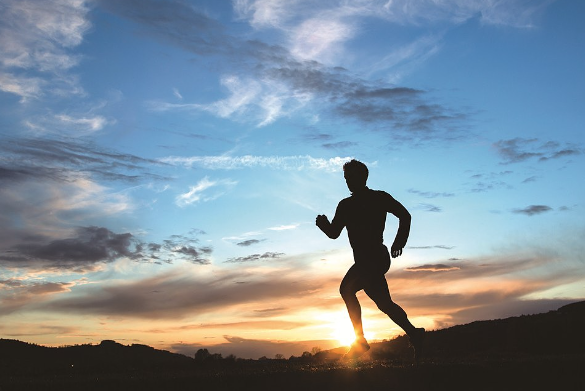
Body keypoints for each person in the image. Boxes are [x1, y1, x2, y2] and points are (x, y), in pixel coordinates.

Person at [316, 159, 425, 361]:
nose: (348, 182)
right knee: (383, 303)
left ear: (362, 178)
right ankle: (414, 333)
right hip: (364, 262)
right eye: (346, 178)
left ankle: (361, 342)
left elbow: (405, 216)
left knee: (348, 290)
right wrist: (323, 225)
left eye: (351, 178)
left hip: (375, 257)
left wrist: (399, 242)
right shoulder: (346, 205)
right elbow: (333, 233)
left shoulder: (378, 198)